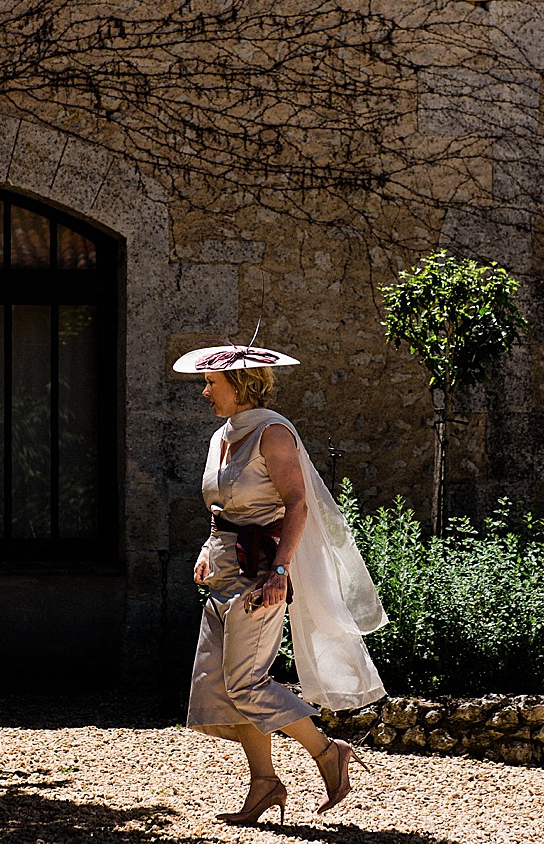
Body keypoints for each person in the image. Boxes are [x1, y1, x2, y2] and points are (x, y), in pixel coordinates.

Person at [175, 342, 388, 825]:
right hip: (224, 571)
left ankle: (327, 751)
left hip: (260, 572)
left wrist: (280, 570)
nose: (205, 391)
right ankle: (265, 783)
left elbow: (297, 505)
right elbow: (221, 510)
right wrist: (209, 548)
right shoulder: (220, 436)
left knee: (247, 682)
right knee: (218, 685)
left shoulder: (273, 434)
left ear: (241, 385)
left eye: (213, 382)